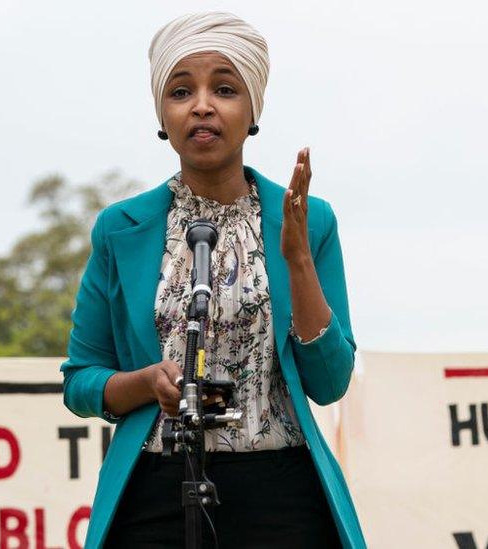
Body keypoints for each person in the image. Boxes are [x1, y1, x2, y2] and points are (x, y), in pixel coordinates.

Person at [59, 12, 365, 548]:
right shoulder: (121, 229)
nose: (202, 105)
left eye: (224, 88)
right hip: (155, 494)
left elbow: (330, 382)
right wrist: (147, 383)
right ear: (163, 114)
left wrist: (297, 260)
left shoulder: (308, 220)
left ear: (252, 111)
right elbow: (81, 380)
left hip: (282, 495)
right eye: (181, 92)